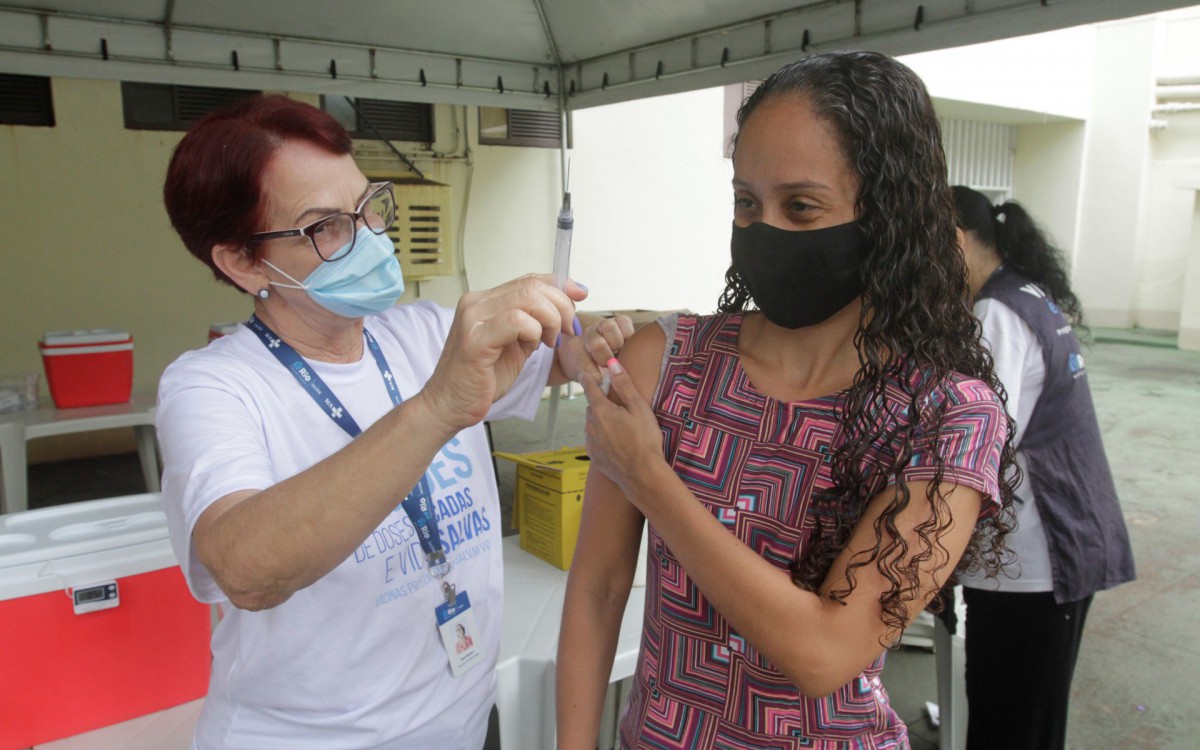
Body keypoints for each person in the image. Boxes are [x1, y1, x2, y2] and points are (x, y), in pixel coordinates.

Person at [556, 50, 1018, 749]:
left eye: (800, 206)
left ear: (888, 215)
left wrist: (651, 479)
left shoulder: (947, 417)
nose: (763, 230)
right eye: (747, 201)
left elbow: (825, 655)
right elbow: (597, 588)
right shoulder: (669, 361)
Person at [156, 94, 627, 749]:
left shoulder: (424, 332)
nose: (372, 237)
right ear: (240, 261)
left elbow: (561, 359)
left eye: (370, 205)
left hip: (461, 720)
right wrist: (436, 408)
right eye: (327, 226)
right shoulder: (213, 386)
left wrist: (585, 341)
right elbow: (244, 567)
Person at [952, 185, 1136, 750]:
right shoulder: (1026, 294)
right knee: (1030, 719)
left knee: (1010, 723)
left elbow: (978, 445)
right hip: (1066, 542)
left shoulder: (995, 313)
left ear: (953, 239)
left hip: (1034, 560)